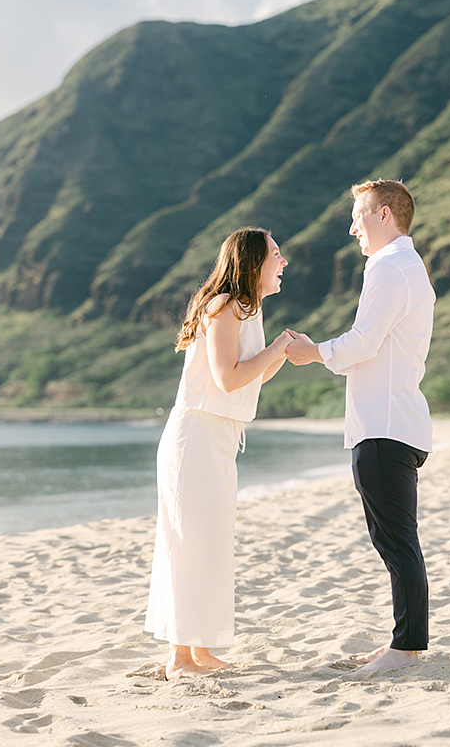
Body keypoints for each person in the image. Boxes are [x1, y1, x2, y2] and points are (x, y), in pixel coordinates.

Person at [285, 178, 435, 674]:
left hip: (384, 426)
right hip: (395, 421)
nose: (353, 229)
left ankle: (406, 648)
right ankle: (405, 642)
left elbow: (363, 342)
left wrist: (313, 352)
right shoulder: (408, 267)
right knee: (396, 541)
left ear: (385, 214)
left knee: (396, 542)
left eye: (358, 217)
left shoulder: (389, 267)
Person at [145, 226, 294, 680]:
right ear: (253, 262)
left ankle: (200, 650)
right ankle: (180, 657)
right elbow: (228, 379)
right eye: (275, 254)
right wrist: (275, 349)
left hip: (219, 437)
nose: (283, 261)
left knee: (209, 545)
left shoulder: (248, 310)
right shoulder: (225, 306)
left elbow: (248, 378)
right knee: (190, 545)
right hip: (196, 437)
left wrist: (278, 353)